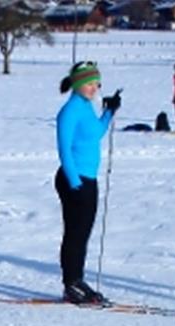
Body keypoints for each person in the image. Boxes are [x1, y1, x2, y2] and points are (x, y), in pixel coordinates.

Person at [54, 61, 119, 305]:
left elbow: (96, 134)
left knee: (83, 235)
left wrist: (110, 112)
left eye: (97, 84)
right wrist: (74, 182)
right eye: (90, 83)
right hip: (74, 180)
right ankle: (71, 284)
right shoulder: (70, 110)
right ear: (79, 84)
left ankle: (77, 280)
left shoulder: (86, 107)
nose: (94, 88)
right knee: (74, 234)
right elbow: (64, 149)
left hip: (88, 179)